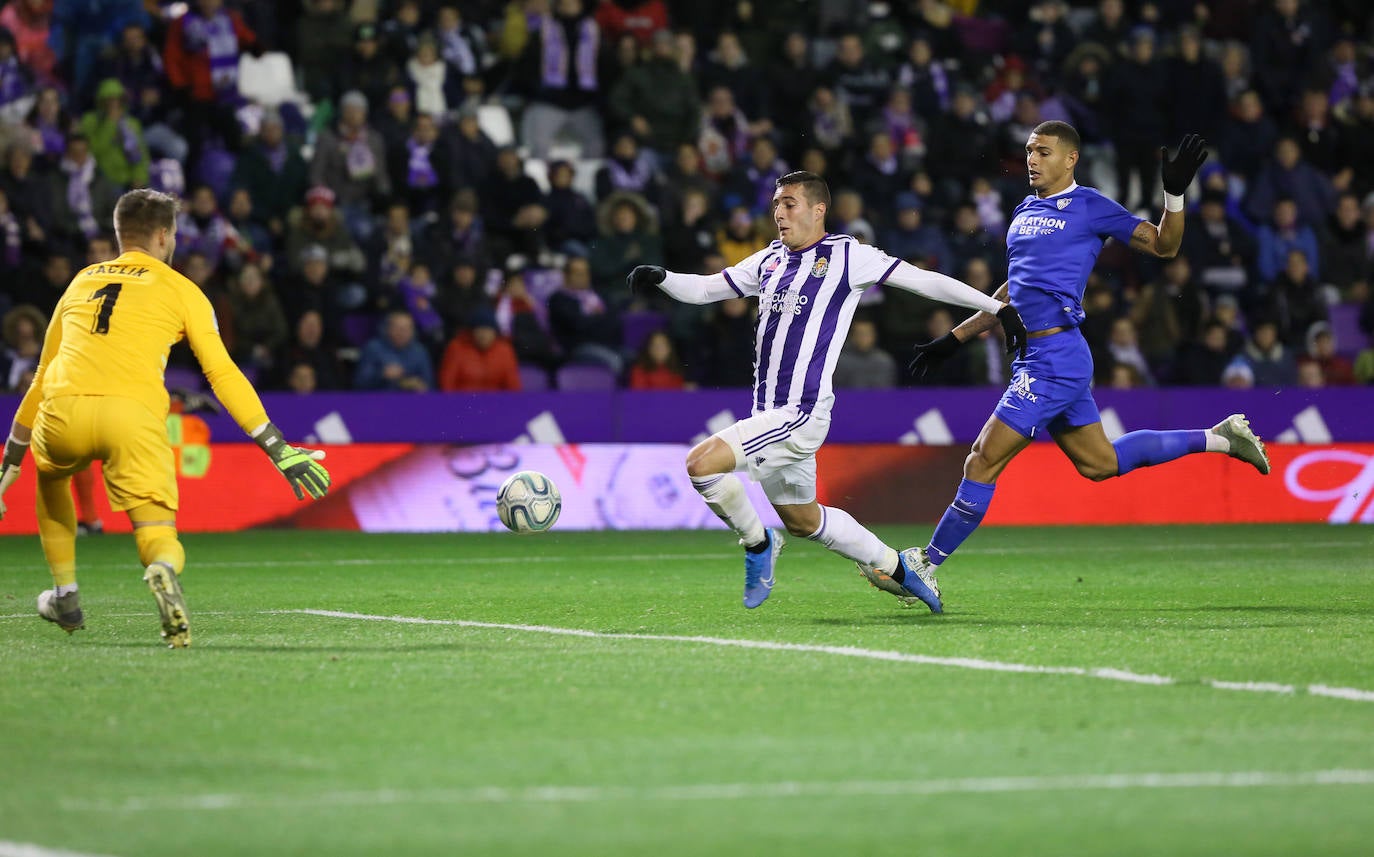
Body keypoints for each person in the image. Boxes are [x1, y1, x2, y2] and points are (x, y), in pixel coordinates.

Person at [902, 122, 1271, 609]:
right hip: (1039, 356)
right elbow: (1015, 290)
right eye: (1029, 150)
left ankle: (926, 565)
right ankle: (1221, 437)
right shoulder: (1023, 211)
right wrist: (956, 337)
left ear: (1070, 159)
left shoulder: (1091, 206)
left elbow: (1164, 245)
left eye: (1044, 151)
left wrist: (1174, 194)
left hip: (1056, 357)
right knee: (1100, 464)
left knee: (982, 458)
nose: (1032, 159)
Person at [626, 170, 1027, 611]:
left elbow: (923, 280)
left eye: (790, 203)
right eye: (776, 204)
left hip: (799, 413)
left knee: (701, 465)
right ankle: (900, 568)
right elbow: (705, 288)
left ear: (818, 210)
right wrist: (662, 277)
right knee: (803, 520)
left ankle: (758, 545)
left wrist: (995, 308)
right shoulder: (769, 261)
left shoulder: (847, 256)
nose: (779, 213)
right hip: (769, 414)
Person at [0, 189, 331, 648]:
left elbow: (39, 377)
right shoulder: (182, 289)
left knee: (52, 478)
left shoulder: (80, 282)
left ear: (120, 234)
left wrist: (11, 459)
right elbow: (221, 373)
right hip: (131, 415)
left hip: (61, 410)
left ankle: (65, 595)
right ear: (164, 234)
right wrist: (276, 445)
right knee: (157, 531)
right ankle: (160, 568)